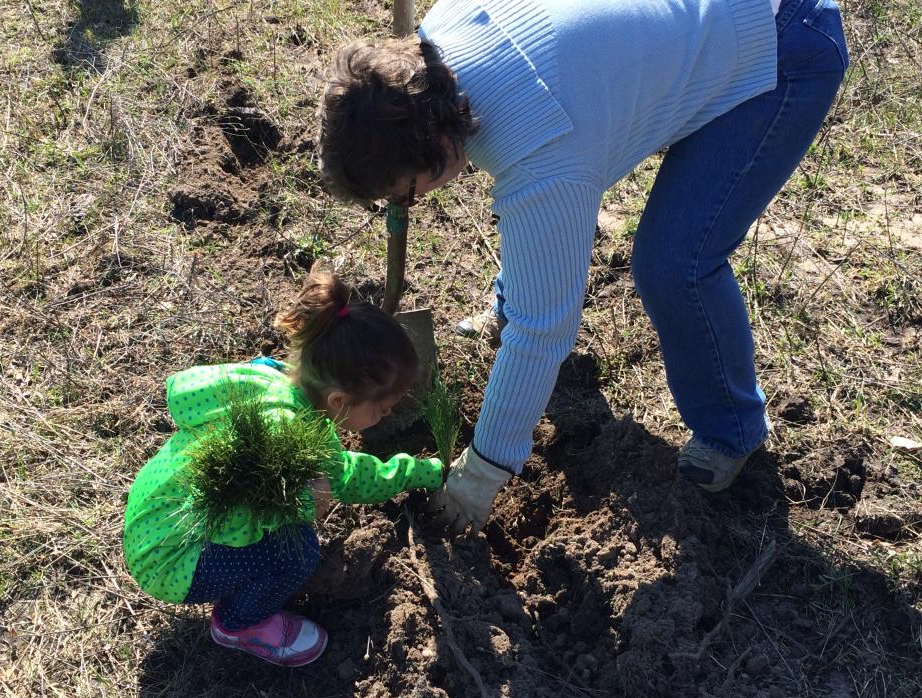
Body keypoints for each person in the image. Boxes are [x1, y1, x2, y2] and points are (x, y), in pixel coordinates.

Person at [317, 0, 848, 532]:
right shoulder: (441, 37)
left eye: (406, 192)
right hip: (692, 35)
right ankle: (508, 299)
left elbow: (543, 331)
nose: (413, 202)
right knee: (539, 209)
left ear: (437, 142)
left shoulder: (545, 156)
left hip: (781, 43)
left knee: (675, 262)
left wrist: (481, 474)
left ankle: (731, 428)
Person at [123, 271, 443, 667]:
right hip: (170, 561)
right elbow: (358, 478)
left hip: (150, 516)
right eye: (381, 408)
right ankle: (239, 624)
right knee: (296, 552)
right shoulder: (293, 444)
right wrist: (427, 471)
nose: (387, 413)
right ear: (340, 400)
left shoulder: (267, 376)